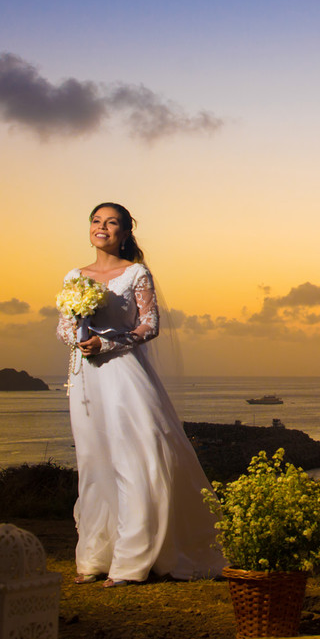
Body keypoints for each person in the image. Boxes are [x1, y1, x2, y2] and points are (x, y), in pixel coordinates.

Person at [57, 202, 224, 586]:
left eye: (112, 223)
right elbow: (63, 327)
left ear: (125, 232)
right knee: (95, 462)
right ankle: (97, 556)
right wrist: (79, 338)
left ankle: (133, 561)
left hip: (124, 373)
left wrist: (108, 342)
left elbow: (149, 325)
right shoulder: (74, 275)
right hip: (85, 379)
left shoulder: (135, 273)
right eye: (97, 221)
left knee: (135, 457)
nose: (103, 228)